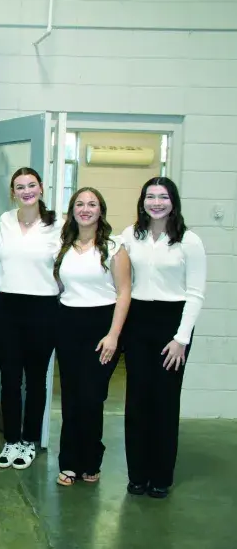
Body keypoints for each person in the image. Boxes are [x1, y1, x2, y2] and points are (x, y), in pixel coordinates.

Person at [122, 177, 206, 499]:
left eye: (163, 197)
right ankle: (137, 475)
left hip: (173, 326)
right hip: (138, 322)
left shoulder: (189, 241)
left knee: (165, 402)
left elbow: (195, 293)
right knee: (137, 401)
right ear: (142, 201)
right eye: (150, 196)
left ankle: (160, 476)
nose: (156, 203)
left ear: (174, 202)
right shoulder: (131, 235)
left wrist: (181, 338)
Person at [53, 187, 131, 487]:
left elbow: (124, 292)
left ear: (101, 210)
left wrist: (113, 335)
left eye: (92, 204)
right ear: (72, 210)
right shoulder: (64, 246)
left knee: (92, 396)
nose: (85, 209)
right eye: (80, 204)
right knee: (71, 396)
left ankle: (91, 459)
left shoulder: (114, 247)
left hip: (102, 327)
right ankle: (69, 462)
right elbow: (61, 286)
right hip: (68, 324)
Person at [0, 167, 62, 471]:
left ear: (41, 188)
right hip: (7, 306)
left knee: (35, 380)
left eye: (31, 185)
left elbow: (65, 266)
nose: (26, 191)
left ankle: (29, 440)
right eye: (20, 187)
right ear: (13, 192)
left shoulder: (57, 225)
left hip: (43, 308)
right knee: (9, 379)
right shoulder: (6, 221)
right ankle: (11, 440)